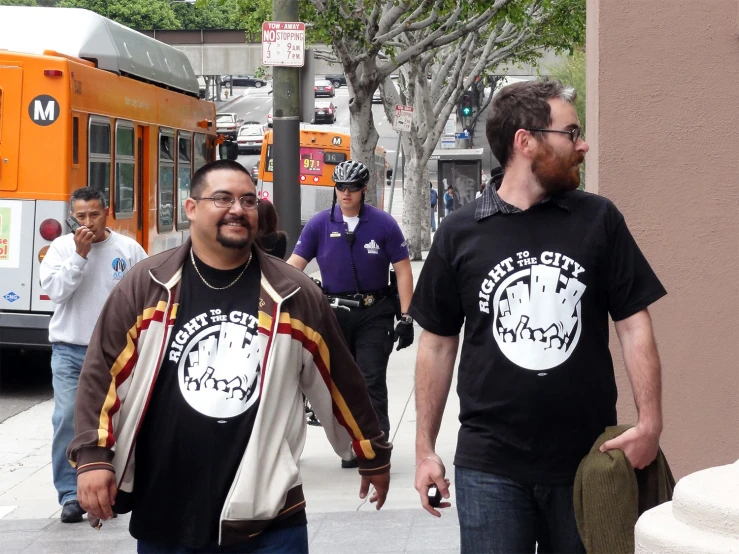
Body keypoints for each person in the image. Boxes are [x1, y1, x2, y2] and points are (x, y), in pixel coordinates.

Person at [68, 160, 391, 553]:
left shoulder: (293, 294)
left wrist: (370, 452)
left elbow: (339, 378)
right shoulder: (149, 285)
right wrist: (93, 457)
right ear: (191, 208)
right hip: (166, 510)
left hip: (269, 518)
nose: (237, 209)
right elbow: (101, 373)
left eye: (248, 200)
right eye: (222, 198)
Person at [410, 79, 666, 554]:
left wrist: (650, 422)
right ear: (525, 141)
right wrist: (425, 448)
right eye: (571, 133)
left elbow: (633, 323)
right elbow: (438, 342)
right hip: (489, 464)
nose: (583, 144)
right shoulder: (460, 232)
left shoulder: (598, 219)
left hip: (587, 459)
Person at [287, 160, 414, 467]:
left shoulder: (383, 224)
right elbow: (294, 267)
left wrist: (407, 316)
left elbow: (403, 270)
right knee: (341, 383)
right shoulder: (320, 223)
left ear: (363, 190)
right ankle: (351, 447)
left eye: (352, 188)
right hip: (334, 314)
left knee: (370, 379)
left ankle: (376, 445)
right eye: (341, 188)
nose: (346, 194)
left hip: (375, 312)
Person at [39, 187, 147, 523]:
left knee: (123, 420)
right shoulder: (60, 248)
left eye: (94, 214)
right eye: (81, 216)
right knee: (67, 419)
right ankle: (70, 494)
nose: (88, 222)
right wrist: (78, 256)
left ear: (107, 212)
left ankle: (116, 486)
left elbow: (146, 295)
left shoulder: (128, 249)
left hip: (116, 352)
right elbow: (56, 293)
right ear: (73, 216)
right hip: (70, 349)